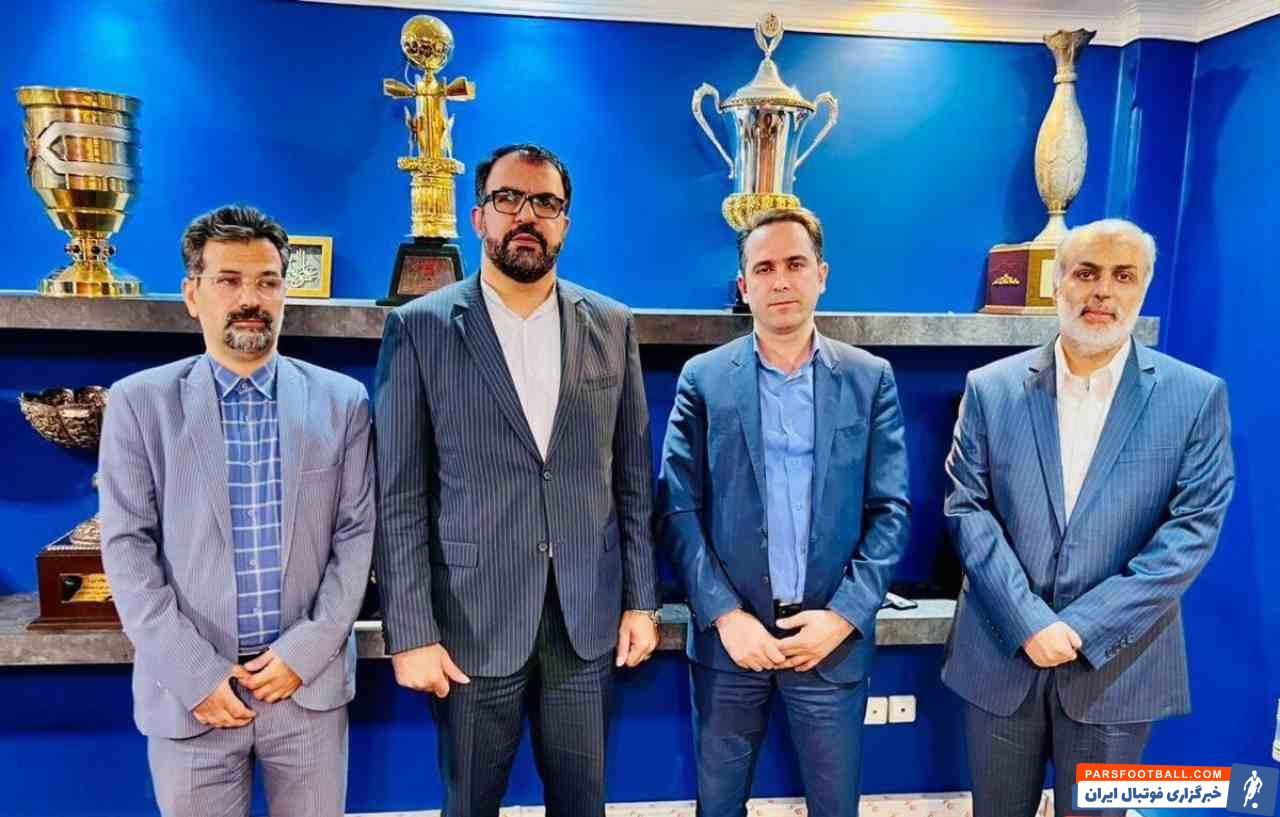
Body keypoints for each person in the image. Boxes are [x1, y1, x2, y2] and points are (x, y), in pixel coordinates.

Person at [373, 143, 660, 816]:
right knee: (469, 802)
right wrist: (410, 630)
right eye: (509, 199)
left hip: (586, 621)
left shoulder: (612, 325)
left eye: (546, 203)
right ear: (479, 216)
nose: (526, 215)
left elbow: (632, 478)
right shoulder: (420, 329)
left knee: (583, 804)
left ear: (565, 223)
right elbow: (399, 496)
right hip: (470, 623)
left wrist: (642, 600)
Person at [942, 218, 1235, 817]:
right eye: (1086, 273)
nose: (1103, 291)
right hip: (1001, 656)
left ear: (1143, 287)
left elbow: (1192, 532)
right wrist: (1029, 621)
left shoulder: (1195, 397)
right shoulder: (991, 389)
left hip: (1119, 670)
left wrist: (1080, 628)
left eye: (1123, 276)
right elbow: (967, 507)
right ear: (1058, 284)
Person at [100, 204, 375, 817]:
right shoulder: (139, 404)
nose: (250, 299)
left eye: (267, 282)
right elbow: (127, 549)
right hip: (192, 696)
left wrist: (304, 653)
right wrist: (195, 673)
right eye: (229, 280)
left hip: (305, 689)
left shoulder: (343, 402)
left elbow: (357, 537)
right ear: (192, 294)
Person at [656, 207, 911, 817]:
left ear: (821, 275)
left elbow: (891, 510)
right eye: (764, 268)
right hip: (730, 646)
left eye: (795, 264)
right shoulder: (704, 379)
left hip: (830, 643)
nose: (780, 281)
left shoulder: (869, 379)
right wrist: (725, 616)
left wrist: (844, 616)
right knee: (718, 808)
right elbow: (677, 508)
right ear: (744, 286)